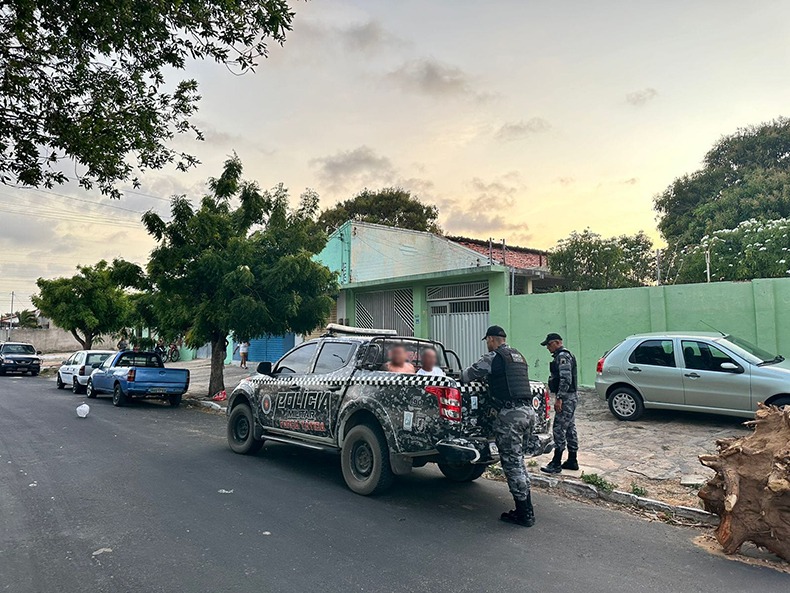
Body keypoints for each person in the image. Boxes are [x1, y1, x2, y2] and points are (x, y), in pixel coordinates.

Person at [462, 325, 536, 527]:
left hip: (511, 415)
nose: (487, 344)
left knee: (512, 465)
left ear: (492, 339)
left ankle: (524, 515)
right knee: (519, 462)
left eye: (487, 340)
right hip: (529, 413)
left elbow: (467, 375)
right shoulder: (518, 355)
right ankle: (527, 509)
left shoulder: (494, 357)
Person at [540, 333, 580, 474]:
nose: (548, 348)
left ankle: (556, 462)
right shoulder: (565, 355)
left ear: (557, 342)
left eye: (549, 345)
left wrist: (559, 398)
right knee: (570, 428)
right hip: (571, 396)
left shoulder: (563, 356)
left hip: (566, 397)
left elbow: (565, 378)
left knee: (559, 429)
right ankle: (572, 460)